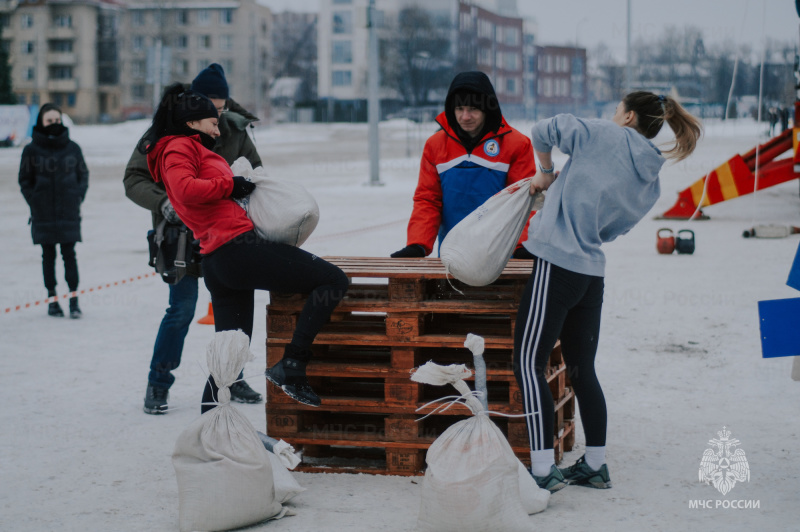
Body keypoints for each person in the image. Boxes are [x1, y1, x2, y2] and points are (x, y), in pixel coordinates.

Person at [515, 92, 702, 492]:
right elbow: (615, 230)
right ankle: (595, 465)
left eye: (617, 109)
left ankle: (543, 472)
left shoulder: (599, 133)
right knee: (583, 370)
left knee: (528, 364)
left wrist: (546, 171)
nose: (612, 114)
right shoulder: (651, 175)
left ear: (629, 115)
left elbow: (541, 130)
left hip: (556, 262)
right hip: (590, 274)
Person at [139, 83, 349, 412]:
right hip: (235, 248)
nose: (217, 126)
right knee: (333, 280)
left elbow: (200, 191)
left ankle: (210, 431)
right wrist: (230, 184)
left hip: (219, 259)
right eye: (211, 121)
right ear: (191, 122)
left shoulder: (189, 147)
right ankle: (292, 365)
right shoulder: (178, 147)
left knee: (230, 355)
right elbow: (185, 190)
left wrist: (238, 187)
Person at [124, 63, 263, 414]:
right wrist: (163, 202)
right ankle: (158, 383)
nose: (217, 117)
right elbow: (134, 179)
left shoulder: (234, 130)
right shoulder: (163, 133)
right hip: (179, 238)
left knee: (232, 312)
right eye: (210, 110)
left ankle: (232, 377)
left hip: (226, 236)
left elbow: (258, 174)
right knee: (181, 310)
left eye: (221, 109)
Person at [390, 71, 536, 259]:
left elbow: (524, 202)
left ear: (487, 109)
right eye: (459, 109)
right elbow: (428, 200)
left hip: (501, 256)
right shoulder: (435, 145)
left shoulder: (517, 144)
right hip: (452, 254)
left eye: (473, 109)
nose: (465, 116)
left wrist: (521, 246)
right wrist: (417, 244)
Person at [19, 103, 89, 319]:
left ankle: (74, 301)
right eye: (49, 121)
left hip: (68, 212)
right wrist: (35, 201)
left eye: (57, 120)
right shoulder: (31, 150)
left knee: (70, 255)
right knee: (47, 256)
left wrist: (76, 198)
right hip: (43, 214)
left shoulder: (73, 148)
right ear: (42, 122)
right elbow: (24, 180)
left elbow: (83, 176)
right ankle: (52, 300)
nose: (54, 124)